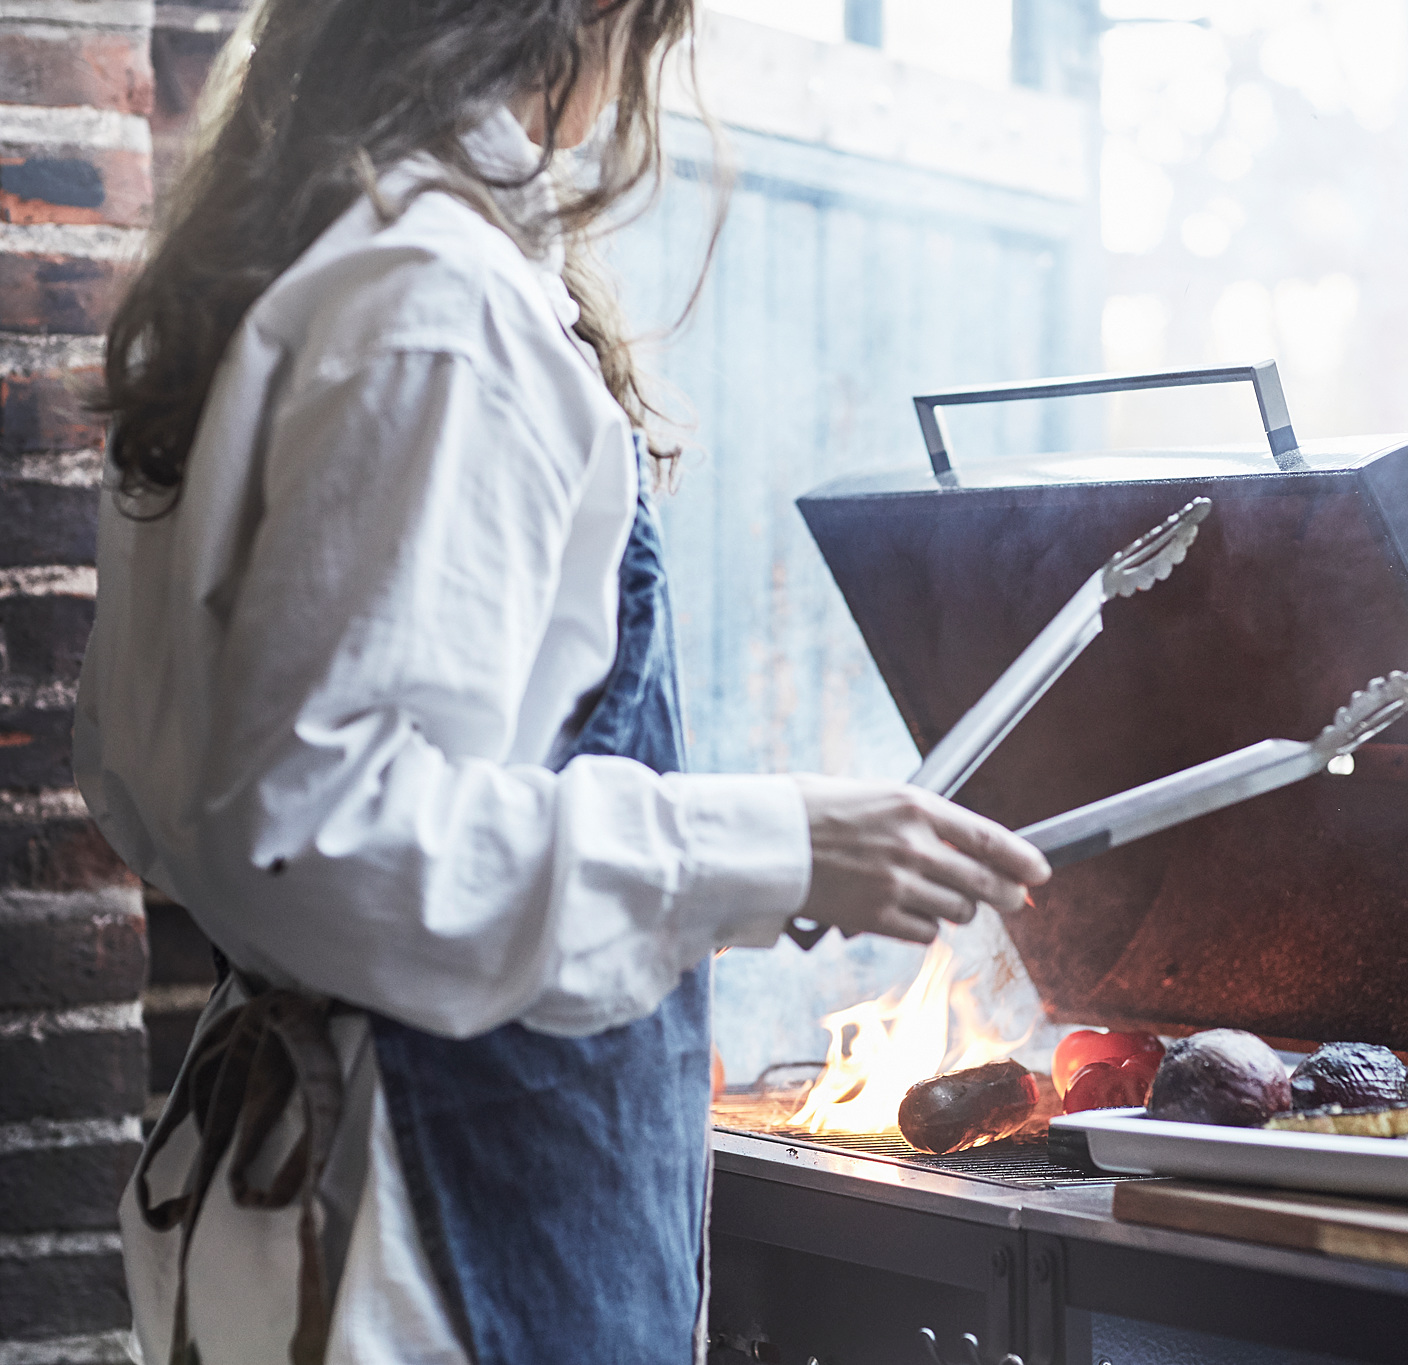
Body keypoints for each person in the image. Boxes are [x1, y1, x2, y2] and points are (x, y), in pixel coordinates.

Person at [77, 3, 1050, 1362]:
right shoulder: (438, 305)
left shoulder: (295, 274)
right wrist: (777, 843)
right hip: (437, 1224)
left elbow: (154, 793)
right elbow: (321, 833)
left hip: (324, 1200)